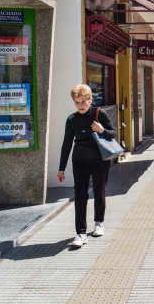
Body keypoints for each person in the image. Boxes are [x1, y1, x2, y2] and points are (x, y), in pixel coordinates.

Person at [57, 84, 117, 248]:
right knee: (80, 195)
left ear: (91, 100)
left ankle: (99, 222)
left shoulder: (100, 114)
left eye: (83, 101)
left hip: (100, 160)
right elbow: (66, 144)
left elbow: (113, 134)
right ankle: (81, 233)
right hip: (80, 161)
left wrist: (101, 129)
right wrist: (61, 168)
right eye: (77, 102)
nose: (80, 105)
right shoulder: (72, 119)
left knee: (99, 191)